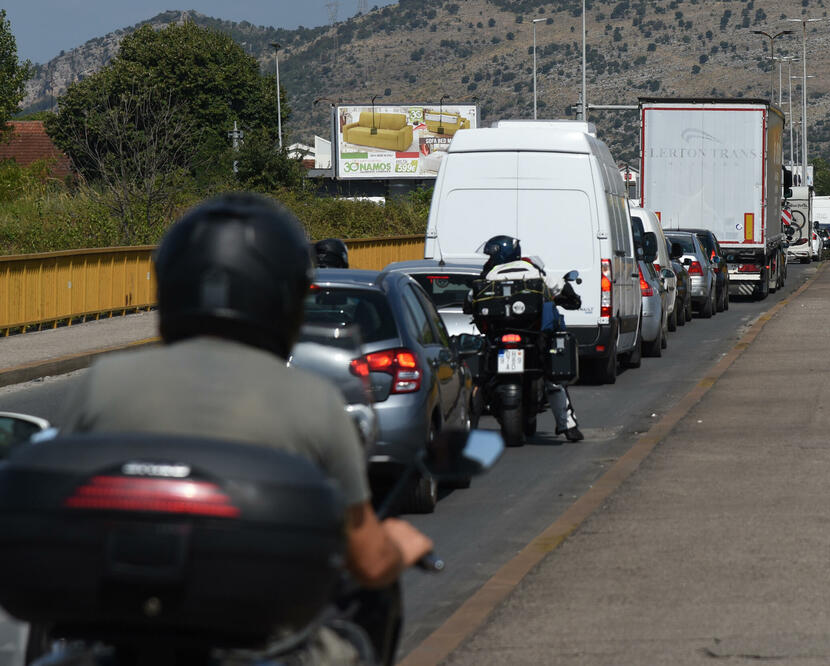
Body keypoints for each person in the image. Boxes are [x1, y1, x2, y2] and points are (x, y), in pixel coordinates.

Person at [59, 193, 431, 661]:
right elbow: (368, 558)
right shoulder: (313, 401)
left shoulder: (101, 384)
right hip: (262, 639)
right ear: (283, 297)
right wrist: (397, 545)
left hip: (118, 635)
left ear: (171, 288)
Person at [477, 235, 584, 442]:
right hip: (533, 337)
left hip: (499, 338)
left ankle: (469, 422)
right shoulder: (534, 270)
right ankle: (567, 425)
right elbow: (560, 288)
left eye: (492, 255)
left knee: (481, 376)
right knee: (553, 378)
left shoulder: (490, 275)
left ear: (500, 255)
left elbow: (473, 300)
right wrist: (572, 299)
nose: (489, 259)